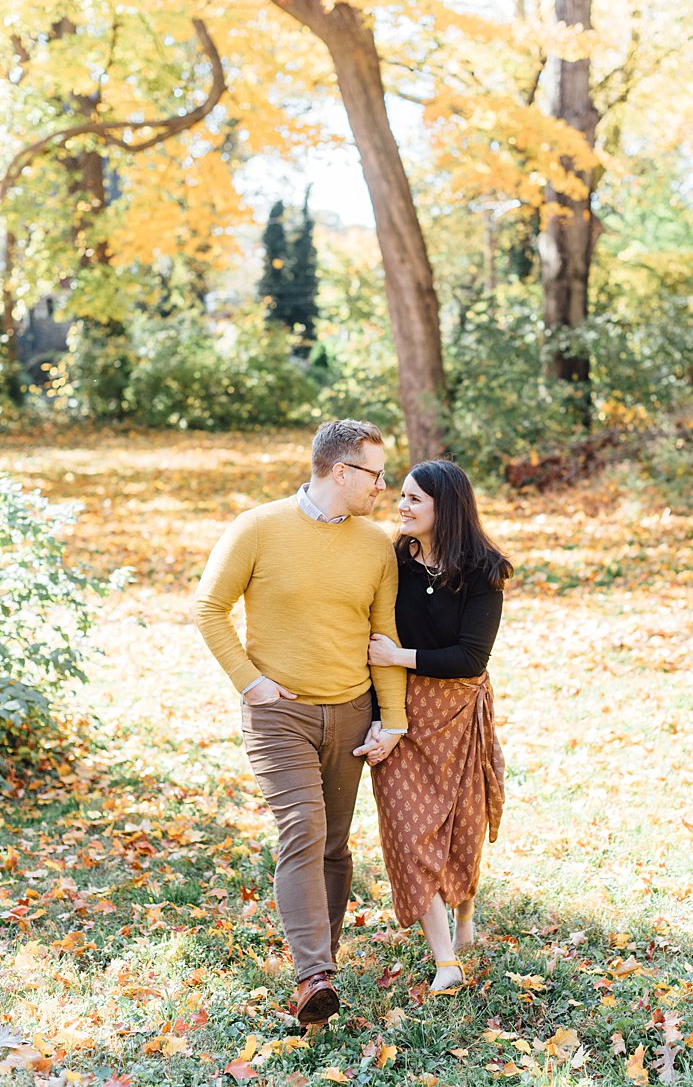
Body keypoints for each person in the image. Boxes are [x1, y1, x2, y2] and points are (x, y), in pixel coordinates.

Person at [192, 419, 408, 1026]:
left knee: (334, 846)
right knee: (303, 830)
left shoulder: (375, 546)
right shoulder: (258, 528)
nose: (383, 487)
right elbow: (208, 608)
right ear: (341, 471)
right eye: (375, 474)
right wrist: (250, 681)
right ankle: (312, 973)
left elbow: (383, 636)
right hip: (277, 714)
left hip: (349, 711)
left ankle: (321, 963)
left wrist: (390, 719)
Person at [364, 459, 510, 995]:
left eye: (413, 500)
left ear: (443, 509)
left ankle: (464, 912)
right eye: (400, 496)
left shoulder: (484, 571)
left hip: (458, 709)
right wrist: (385, 711)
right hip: (401, 708)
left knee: (461, 829)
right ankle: (445, 959)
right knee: (410, 831)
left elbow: (471, 658)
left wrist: (400, 654)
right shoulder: (392, 558)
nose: (400, 506)